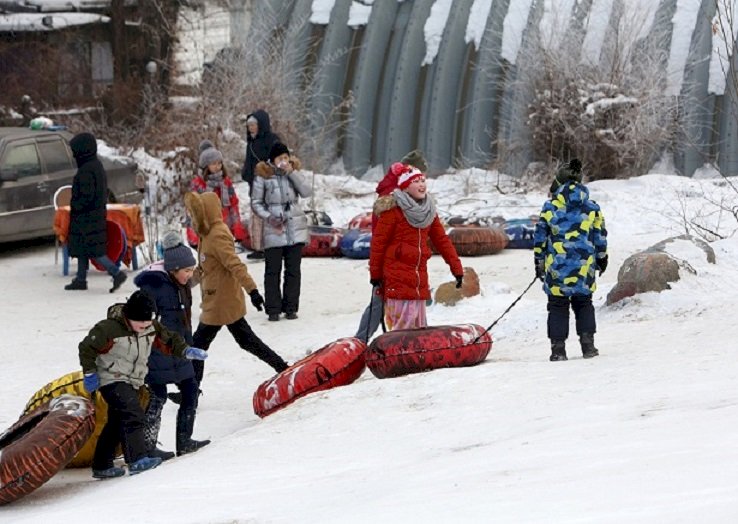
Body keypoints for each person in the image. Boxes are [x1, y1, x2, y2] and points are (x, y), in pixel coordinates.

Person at [78, 290, 208, 479]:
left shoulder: (150, 327)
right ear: (129, 316)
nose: (145, 325)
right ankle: (137, 460)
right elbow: (87, 348)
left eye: (148, 322)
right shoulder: (108, 329)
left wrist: (186, 351)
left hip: (132, 380)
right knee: (133, 413)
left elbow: (169, 339)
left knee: (116, 421)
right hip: (110, 379)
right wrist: (89, 373)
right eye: (141, 322)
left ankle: (102, 464)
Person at [184, 191, 289, 389]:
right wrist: (185, 283)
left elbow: (235, 265)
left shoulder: (217, 235)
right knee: (245, 341)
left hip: (221, 303)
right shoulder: (206, 234)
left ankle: (191, 393)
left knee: (198, 346)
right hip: (216, 301)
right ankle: (281, 366)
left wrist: (253, 291)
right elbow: (205, 268)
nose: (192, 216)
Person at [134, 231, 210, 459]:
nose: (190, 275)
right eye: (187, 271)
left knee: (190, 391)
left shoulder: (180, 285)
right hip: (158, 352)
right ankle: (147, 447)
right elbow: (142, 321)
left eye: (191, 270)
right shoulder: (154, 287)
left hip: (179, 350)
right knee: (157, 396)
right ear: (173, 269)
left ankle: (184, 441)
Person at [369, 165, 464, 330]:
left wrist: (457, 269)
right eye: (416, 181)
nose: (422, 185)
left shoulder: (429, 212)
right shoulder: (393, 211)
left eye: (423, 180)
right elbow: (378, 244)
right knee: (400, 328)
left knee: (418, 328)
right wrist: (375, 275)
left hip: (418, 281)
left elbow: (442, 241)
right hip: (396, 279)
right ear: (405, 186)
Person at [533, 158, 608, 361]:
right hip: (584, 268)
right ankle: (588, 345)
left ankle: (558, 350)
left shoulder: (549, 208)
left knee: (557, 306)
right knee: (584, 303)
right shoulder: (592, 208)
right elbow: (600, 236)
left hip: (557, 268)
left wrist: (539, 260)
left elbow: (540, 237)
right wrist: (602, 258)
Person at [355, 150, 429, 342]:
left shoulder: (395, 191)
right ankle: (361, 341)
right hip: (393, 260)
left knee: (382, 302)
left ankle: (364, 340)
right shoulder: (393, 196)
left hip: (395, 258)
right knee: (379, 302)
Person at [251, 143, 312, 321]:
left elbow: (307, 191)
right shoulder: (263, 176)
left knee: (293, 270)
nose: (283, 161)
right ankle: (273, 309)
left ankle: (291, 307)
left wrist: (292, 173)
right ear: (272, 160)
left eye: (286, 157)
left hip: (295, 228)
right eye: (280, 158)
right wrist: (269, 216)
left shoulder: (293, 173)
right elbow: (256, 203)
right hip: (274, 229)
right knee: (273, 270)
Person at [64, 132, 127, 292]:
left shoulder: (86, 170)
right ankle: (80, 279)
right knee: (83, 248)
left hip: (86, 217)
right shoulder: (95, 165)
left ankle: (116, 272)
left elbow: (86, 195)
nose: (73, 154)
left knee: (93, 250)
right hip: (94, 215)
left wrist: (76, 205)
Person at [242, 110, 280, 260]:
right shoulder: (251, 142)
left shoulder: (272, 140)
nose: (251, 128)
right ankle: (258, 248)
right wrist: (246, 174)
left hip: (270, 186)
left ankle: (272, 247)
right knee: (256, 218)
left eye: (253, 125)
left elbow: (279, 160)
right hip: (255, 186)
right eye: (249, 125)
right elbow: (249, 162)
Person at [190, 145, 247, 246]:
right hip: (207, 230)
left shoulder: (225, 182)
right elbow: (194, 211)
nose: (217, 166)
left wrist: (237, 229)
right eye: (213, 164)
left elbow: (233, 205)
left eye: (219, 163)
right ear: (206, 166)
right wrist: (194, 236)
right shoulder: (197, 184)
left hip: (225, 227)